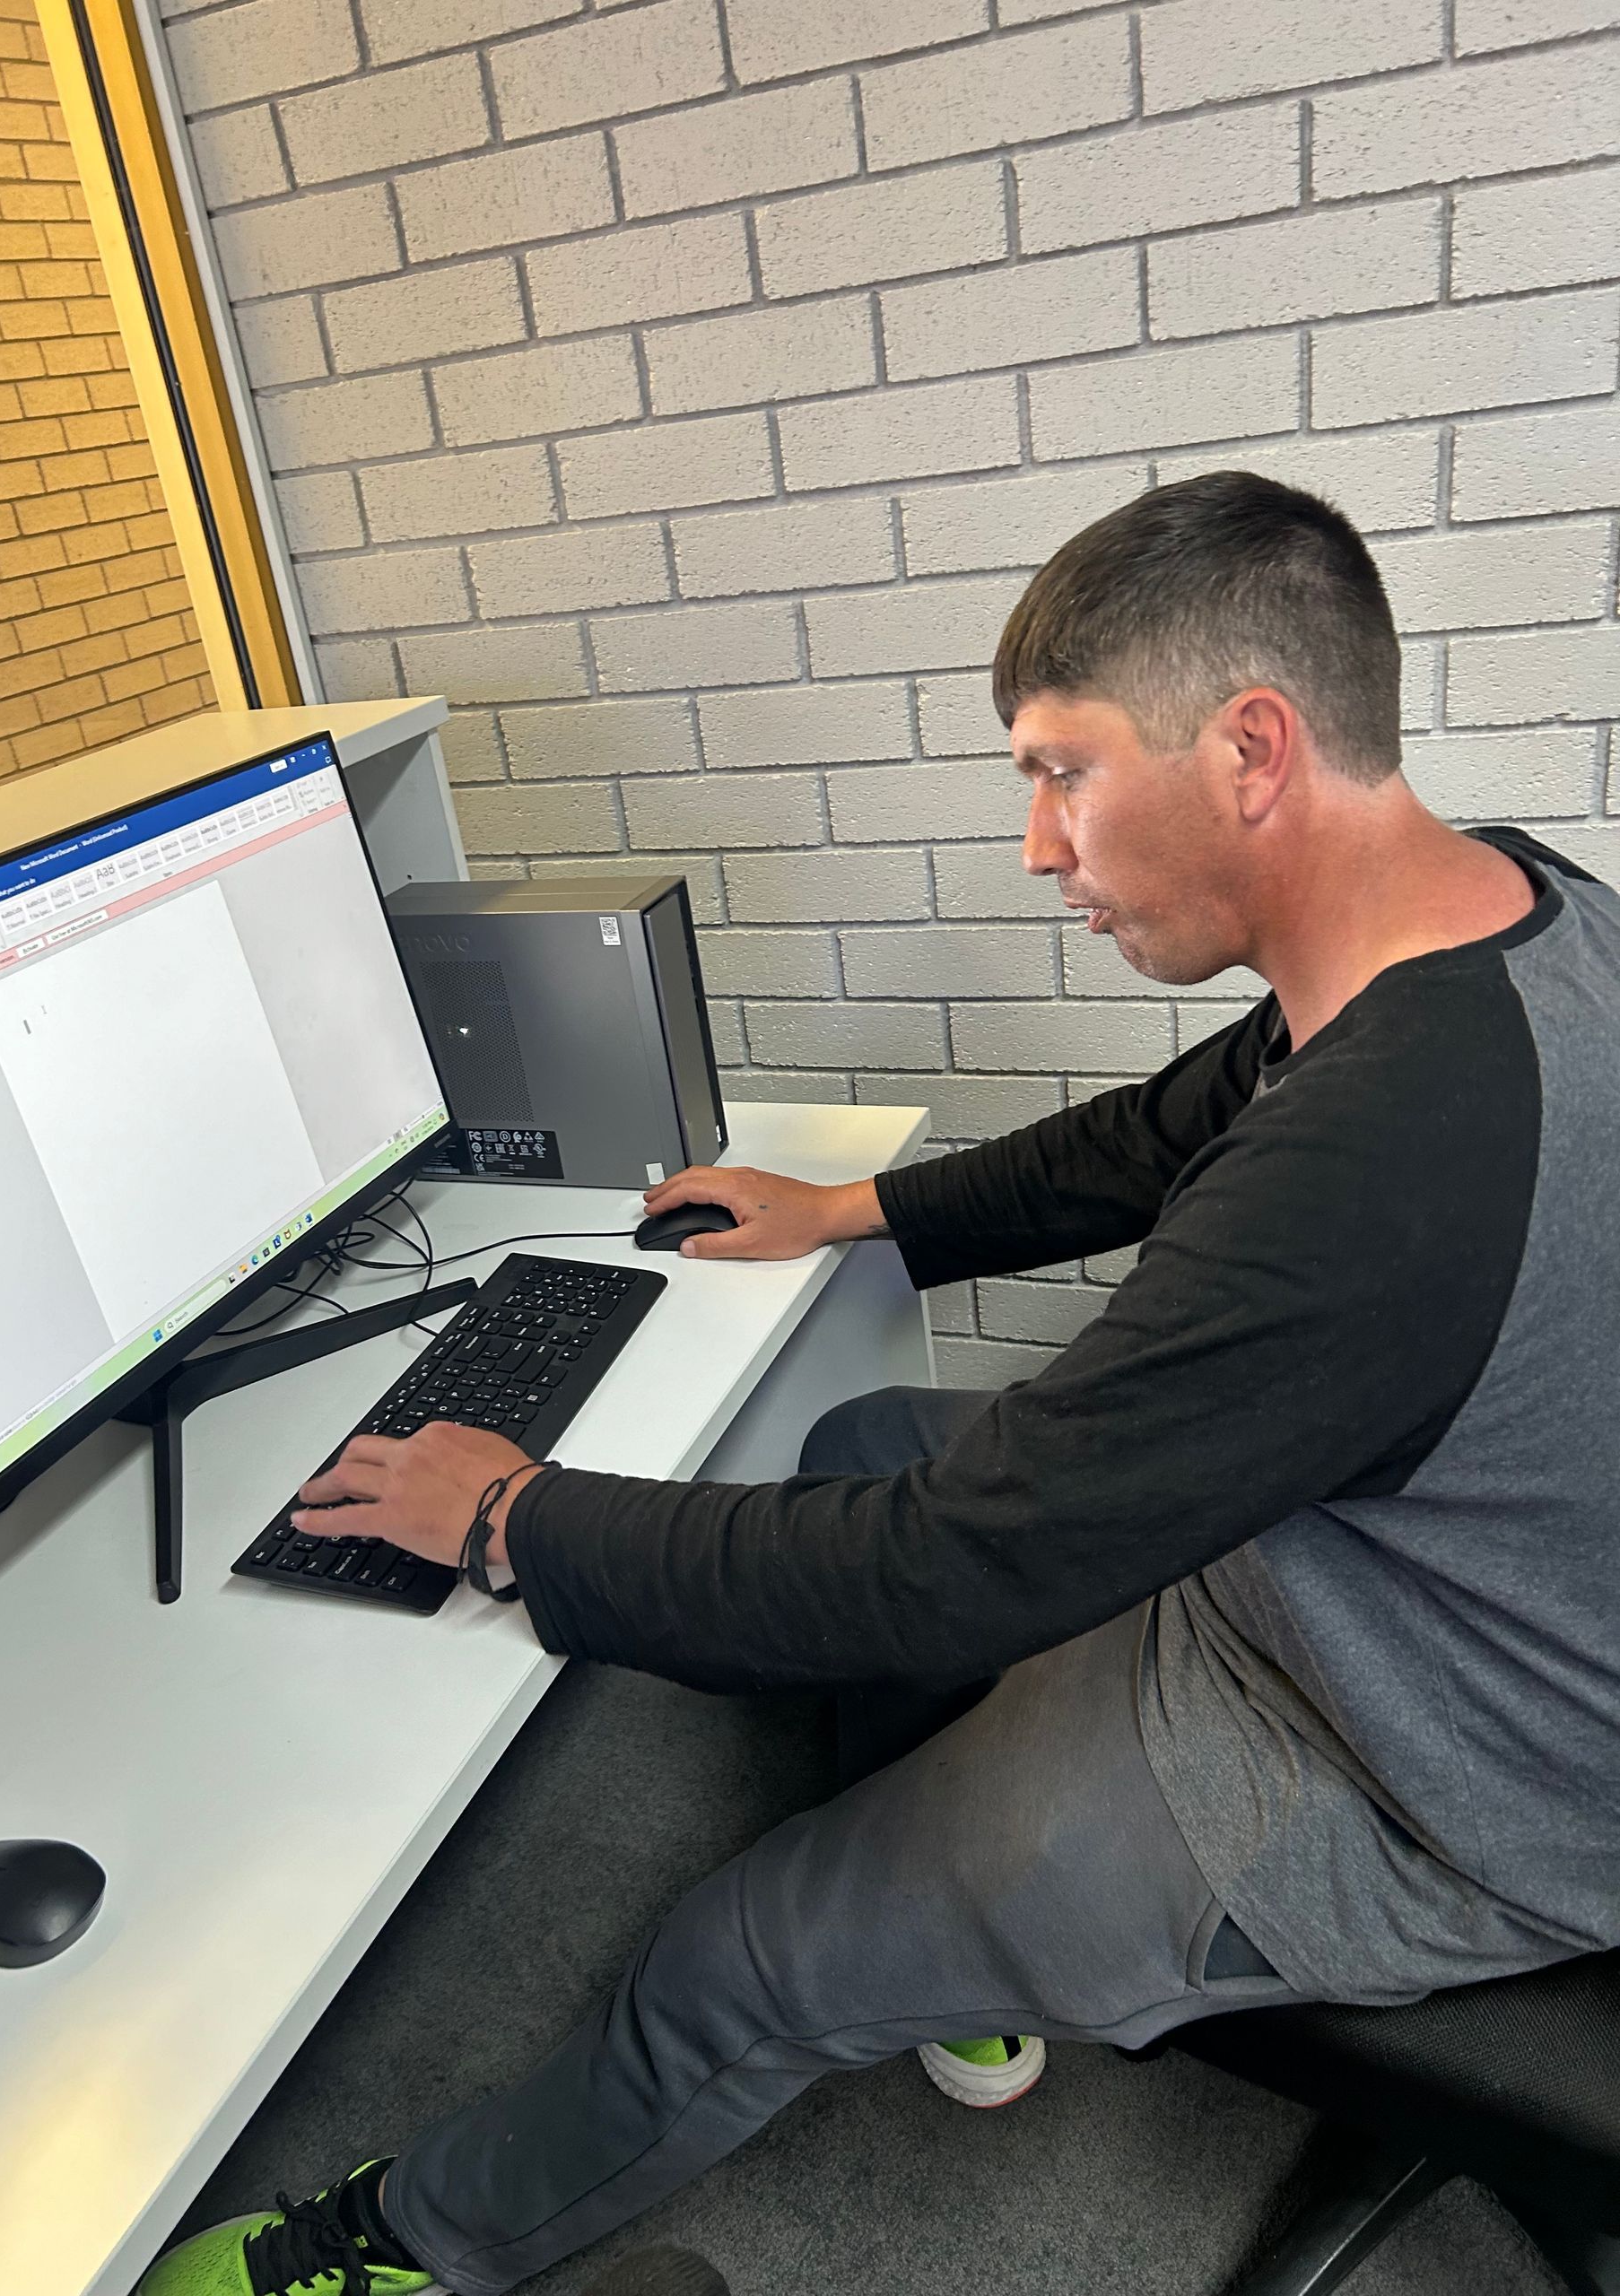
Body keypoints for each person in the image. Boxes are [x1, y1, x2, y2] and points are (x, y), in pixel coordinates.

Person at [140, 473, 1620, 2296]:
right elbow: (1165, 1131)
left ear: (1251, 749)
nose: (1040, 845)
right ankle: (955, 1955)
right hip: (1389, 1571)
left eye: (1062, 773)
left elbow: (948, 1567)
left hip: (1434, 1776)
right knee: (858, 1437)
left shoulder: (1388, 1162)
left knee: (733, 1958)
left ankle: (404, 2246)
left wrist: (517, 1515)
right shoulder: (1496, 914)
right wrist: (852, 1209)